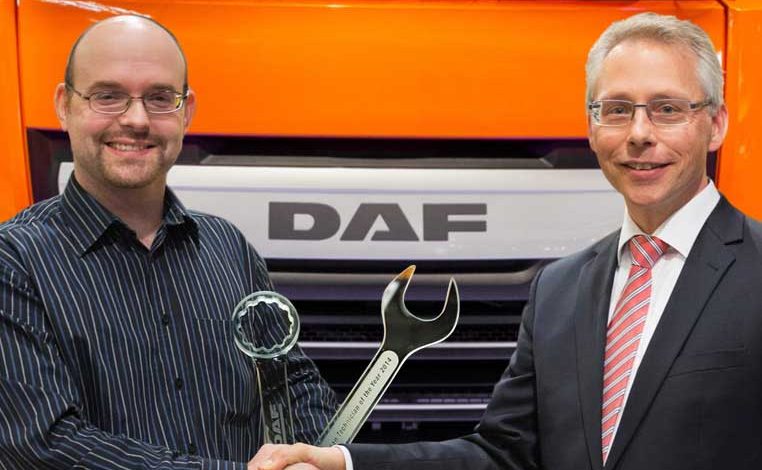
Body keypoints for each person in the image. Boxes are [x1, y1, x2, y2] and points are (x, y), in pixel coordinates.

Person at [248, 11, 762, 470]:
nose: (639, 133)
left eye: (668, 109)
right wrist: (342, 463)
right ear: (591, 128)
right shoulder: (558, 290)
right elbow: (504, 455)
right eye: (617, 110)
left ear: (716, 124)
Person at [0, 15, 336, 468]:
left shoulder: (228, 249)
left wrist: (311, 457)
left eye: (160, 98)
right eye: (107, 96)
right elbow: (42, 444)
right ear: (64, 105)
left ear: (186, 111)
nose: (136, 120)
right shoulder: (14, 263)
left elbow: (290, 384)